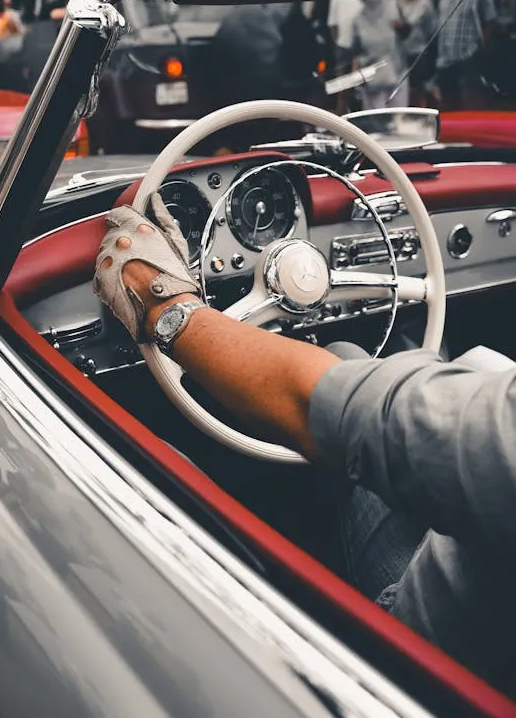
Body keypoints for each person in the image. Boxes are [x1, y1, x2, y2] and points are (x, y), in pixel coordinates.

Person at [93, 197, 516, 696]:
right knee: (353, 355)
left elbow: (304, 401)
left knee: (152, 462)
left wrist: (165, 304)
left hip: (422, 658)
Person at [435, 0, 497, 110]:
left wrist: (479, 50)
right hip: (445, 59)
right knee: (447, 106)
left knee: (470, 105)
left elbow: (490, 21)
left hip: (469, 56)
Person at [349, 0, 410, 110]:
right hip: (372, 77)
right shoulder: (358, 19)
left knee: (398, 115)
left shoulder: (394, 5)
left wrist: (401, 27)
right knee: (375, 119)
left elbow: (407, 31)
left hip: (397, 71)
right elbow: (356, 51)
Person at [395, 0, 437, 106]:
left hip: (419, 53)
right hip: (398, 56)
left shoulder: (424, 3)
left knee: (420, 89)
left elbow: (431, 29)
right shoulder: (394, 3)